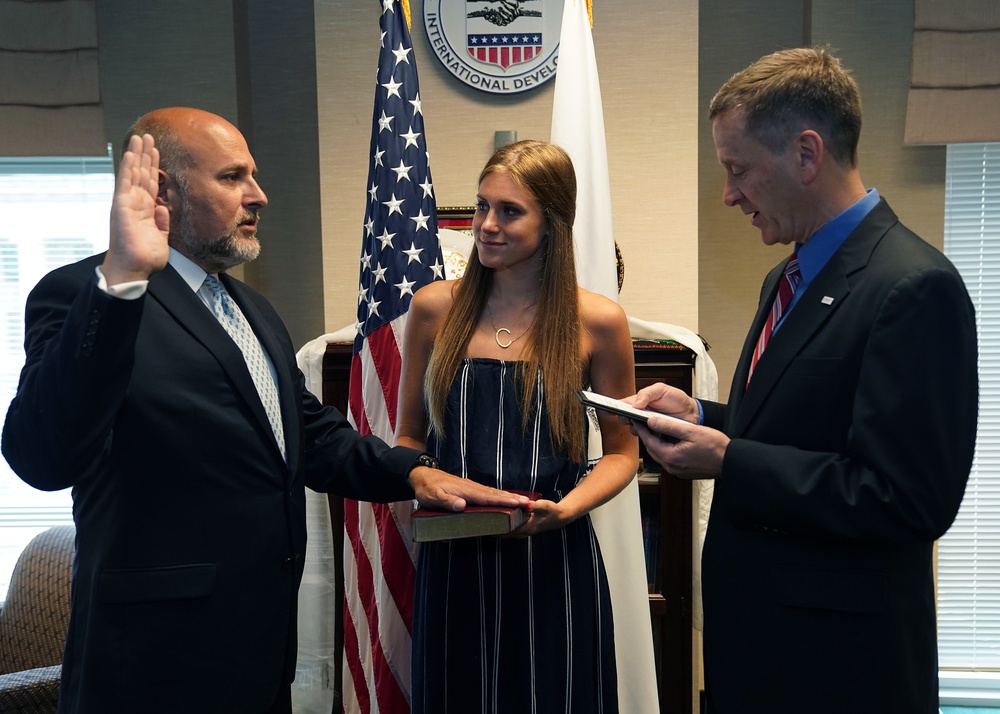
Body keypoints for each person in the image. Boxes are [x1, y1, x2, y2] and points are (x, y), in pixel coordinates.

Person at [0, 107, 526, 714]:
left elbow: (306, 433)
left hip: (257, 654)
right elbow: (43, 454)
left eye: (253, 175)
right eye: (232, 177)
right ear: (163, 188)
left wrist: (413, 473)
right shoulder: (86, 294)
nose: (259, 195)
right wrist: (119, 283)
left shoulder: (251, 308)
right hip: (152, 665)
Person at [627, 47, 978, 714]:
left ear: (807, 154)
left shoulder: (913, 286)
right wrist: (705, 416)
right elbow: (803, 429)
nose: (729, 193)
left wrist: (729, 460)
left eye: (739, 171)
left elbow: (905, 499)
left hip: (841, 675)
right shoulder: (785, 276)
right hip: (761, 660)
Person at [394, 139, 640, 713]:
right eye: (482, 207)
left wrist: (569, 510)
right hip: (455, 556)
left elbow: (623, 453)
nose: (486, 225)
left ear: (551, 222)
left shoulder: (598, 322)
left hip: (553, 557)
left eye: (510, 211)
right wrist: (416, 487)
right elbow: (408, 435)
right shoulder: (434, 308)